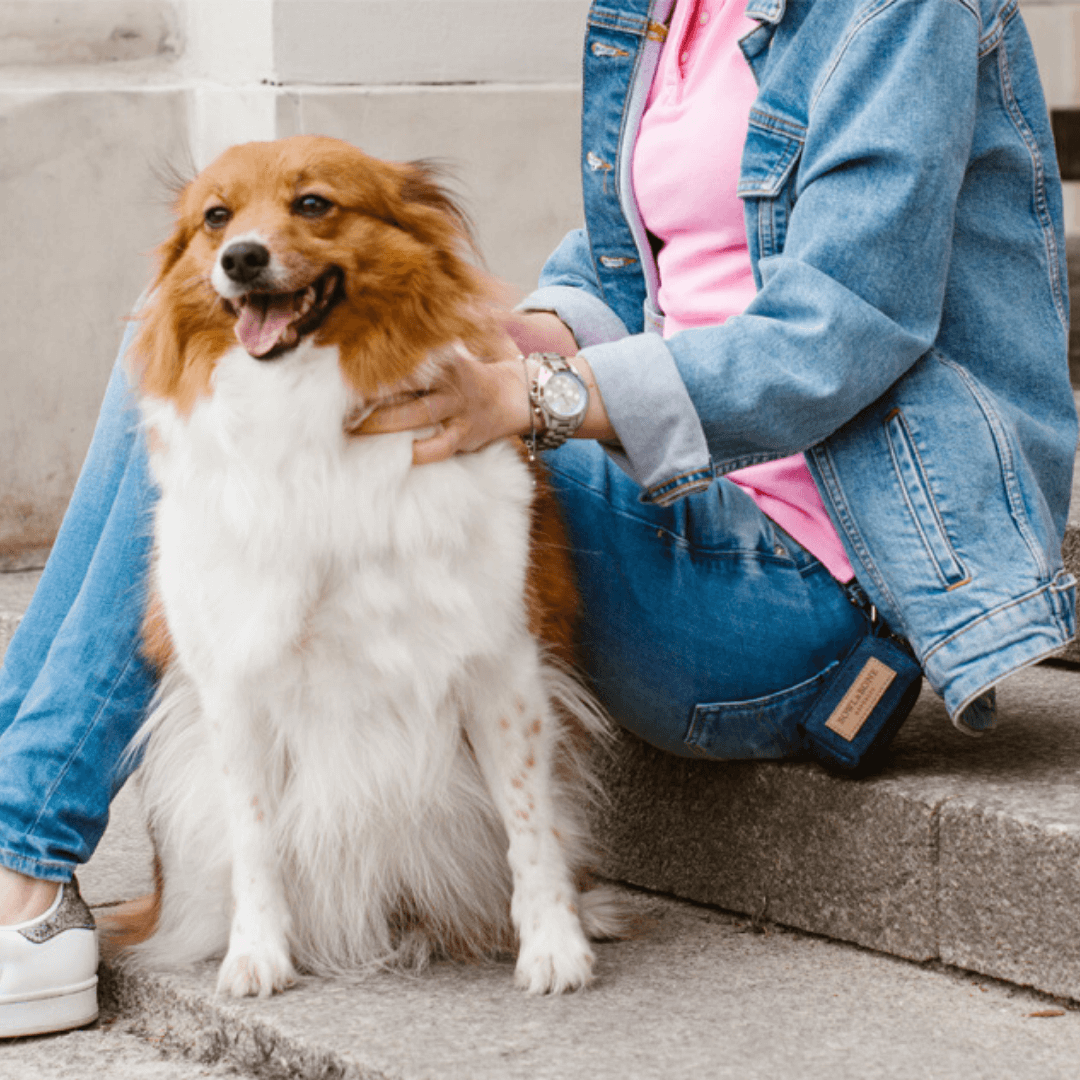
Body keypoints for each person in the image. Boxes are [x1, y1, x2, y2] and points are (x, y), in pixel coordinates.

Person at [0, 0, 1074, 1037]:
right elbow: (619, 272)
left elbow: (843, 329)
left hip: (802, 591)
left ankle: (27, 863)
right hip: (671, 500)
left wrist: (532, 397)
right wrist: (481, 334)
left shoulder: (899, 13)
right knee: (185, 337)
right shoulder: (664, 10)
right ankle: (19, 833)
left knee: (255, 408)